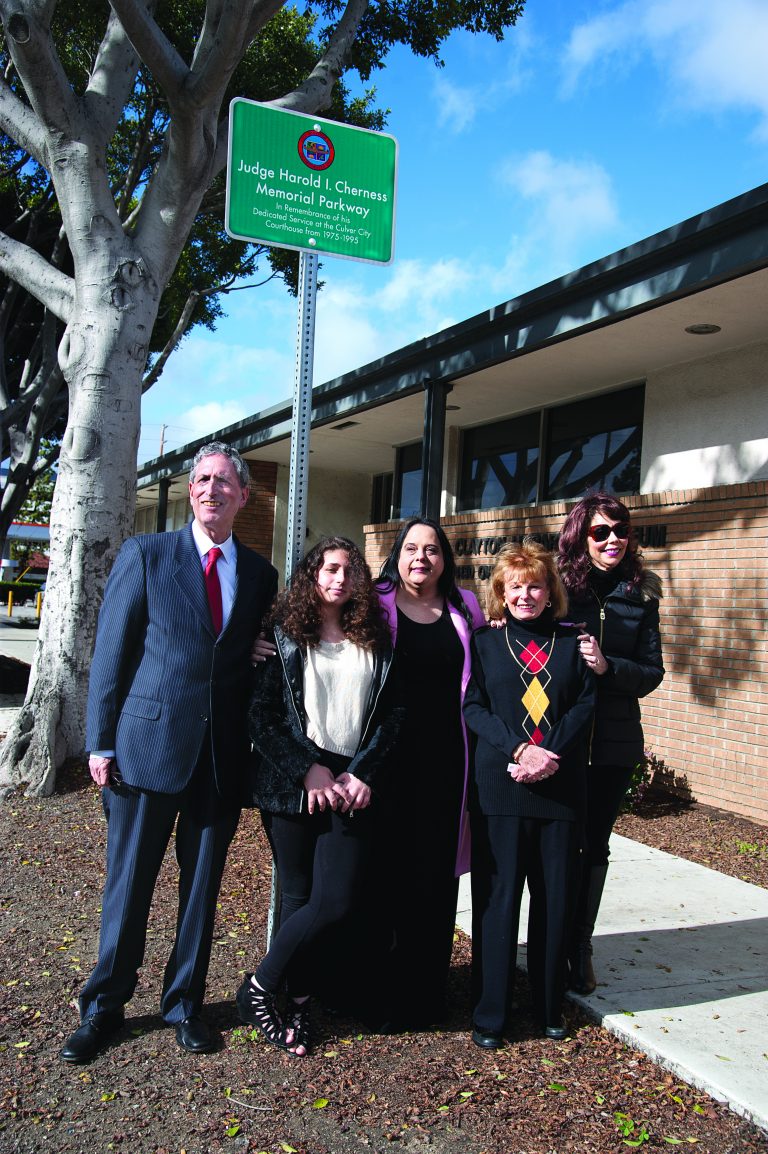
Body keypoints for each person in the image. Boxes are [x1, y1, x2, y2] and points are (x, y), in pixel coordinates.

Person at [60, 442, 278, 1064]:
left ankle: (183, 1004)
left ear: (243, 495)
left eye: (224, 481)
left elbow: (245, 650)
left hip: (219, 759)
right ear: (190, 490)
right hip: (146, 748)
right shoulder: (147, 554)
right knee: (129, 885)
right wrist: (100, 741)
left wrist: (256, 651)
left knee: (201, 890)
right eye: (202, 479)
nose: (211, 489)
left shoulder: (260, 574)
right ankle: (103, 1007)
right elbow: (112, 652)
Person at [237, 537, 398, 1056]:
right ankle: (297, 1002)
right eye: (330, 569)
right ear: (312, 575)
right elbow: (261, 717)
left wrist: (363, 772)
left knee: (336, 899)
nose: (340, 578)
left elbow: (392, 716)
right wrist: (307, 770)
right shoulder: (282, 636)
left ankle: (259, 986)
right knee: (297, 896)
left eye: (349, 570)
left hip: (350, 782)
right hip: (294, 783)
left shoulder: (375, 636)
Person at [463, 540, 595, 1046]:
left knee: (554, 901)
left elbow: (585, 703)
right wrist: (521, 750)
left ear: (550, 591)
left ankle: (548, 1008)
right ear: (500, 592)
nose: (525, 595)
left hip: (559, 790)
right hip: (500, 790)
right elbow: (473, 708)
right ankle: (490, 1013)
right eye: (514, 587)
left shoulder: (574, 641)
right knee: (497, 902)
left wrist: (547, 754)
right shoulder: (484, 643)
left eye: (535, 586)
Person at [369, 517, 486, 1031]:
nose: (421, 558)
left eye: (432, 549)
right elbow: (319, 628)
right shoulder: (373, 603)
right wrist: (267, 643)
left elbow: (490, 664)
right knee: (385, 872)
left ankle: (426, 995)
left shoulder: (466, 606)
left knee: (435, 876)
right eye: (412, 548)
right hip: (384, 760)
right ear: (397, 555)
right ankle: (380, 993)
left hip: (447, 760)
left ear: (445, 559)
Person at [557, 494, 664, 995]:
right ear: (581, 536)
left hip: (615, 745)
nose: (612, 540)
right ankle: (551, 938)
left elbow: (651, 672)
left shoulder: (641, 596)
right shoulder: (558, 588)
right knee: (559, 845)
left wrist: (608, 667)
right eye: (600, 532)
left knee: (594, 846)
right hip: (563, 740)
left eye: (620, 530)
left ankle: (580, 946)